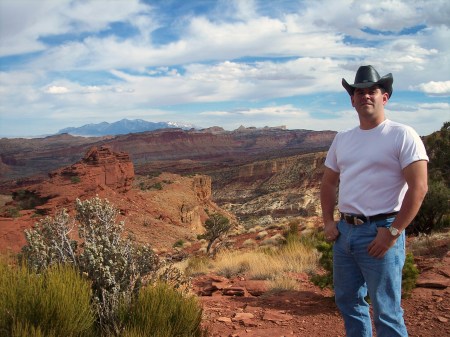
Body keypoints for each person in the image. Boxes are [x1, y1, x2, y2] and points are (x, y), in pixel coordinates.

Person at [320, 65, 428, 337]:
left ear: (385, 97)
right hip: (344, 233)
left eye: (372, 91)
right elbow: (329, 182)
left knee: (386, 310)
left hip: (381, 230)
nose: (365, 96)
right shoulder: (343, 138)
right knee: (348, 302)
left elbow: (419, 187)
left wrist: (393, 233)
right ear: (352, 99)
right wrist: (327, 222)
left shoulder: (402, 135)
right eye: (359, 92)